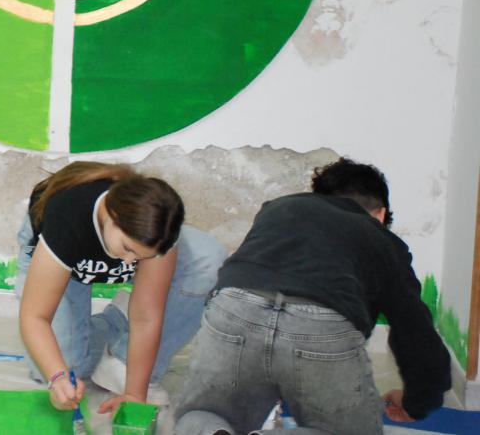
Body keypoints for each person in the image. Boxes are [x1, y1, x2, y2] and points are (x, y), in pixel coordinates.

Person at [174, 158, 451, 435]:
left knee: (205, 413)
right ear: (380, 215)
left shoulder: (280, 208)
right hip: (320, 324)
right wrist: (417, 402)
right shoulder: (381, 238)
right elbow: (416, 334)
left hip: (234, 307)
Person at [16, 162, 226, 415]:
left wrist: (134, 394)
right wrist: (58, 376)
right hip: (62, 258)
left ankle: (121, 353)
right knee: (60, 371)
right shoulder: (68, 219)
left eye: (140, 257)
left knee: (207, 257)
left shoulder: (157, 235)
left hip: (124, 240)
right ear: (112, 216)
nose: (128, 264)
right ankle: (116, 320)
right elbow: (35, 316)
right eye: (127, 249)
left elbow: (146, 317)